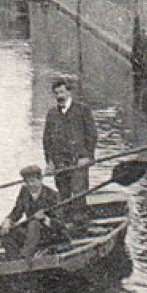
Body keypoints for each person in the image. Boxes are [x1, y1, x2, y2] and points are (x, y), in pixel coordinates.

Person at [42, 77, 96, 206]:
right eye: (56, 93)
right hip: (60, 163)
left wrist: (87, 157)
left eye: (62, 92)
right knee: (63, 196)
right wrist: (49, 162)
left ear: (69, 92)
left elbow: (92, 135)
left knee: (78, 194)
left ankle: (80, 223)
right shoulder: (52, 114)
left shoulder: (83, 110)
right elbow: (46, 139)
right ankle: (65, 224)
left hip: (78, 161)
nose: (59, 96)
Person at [0, 165, 68, 259]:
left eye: (33, 181)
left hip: (50, 235)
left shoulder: (52, 195)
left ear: (40, 180)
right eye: (27, 182)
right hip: (31, 235)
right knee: (2, 229)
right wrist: (8, 221)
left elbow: (60, 224)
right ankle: (13, 259)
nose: (30, 185)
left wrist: (44, 219)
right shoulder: (24, 192)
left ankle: (24, 257)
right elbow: (17, 212)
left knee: (34, 223)